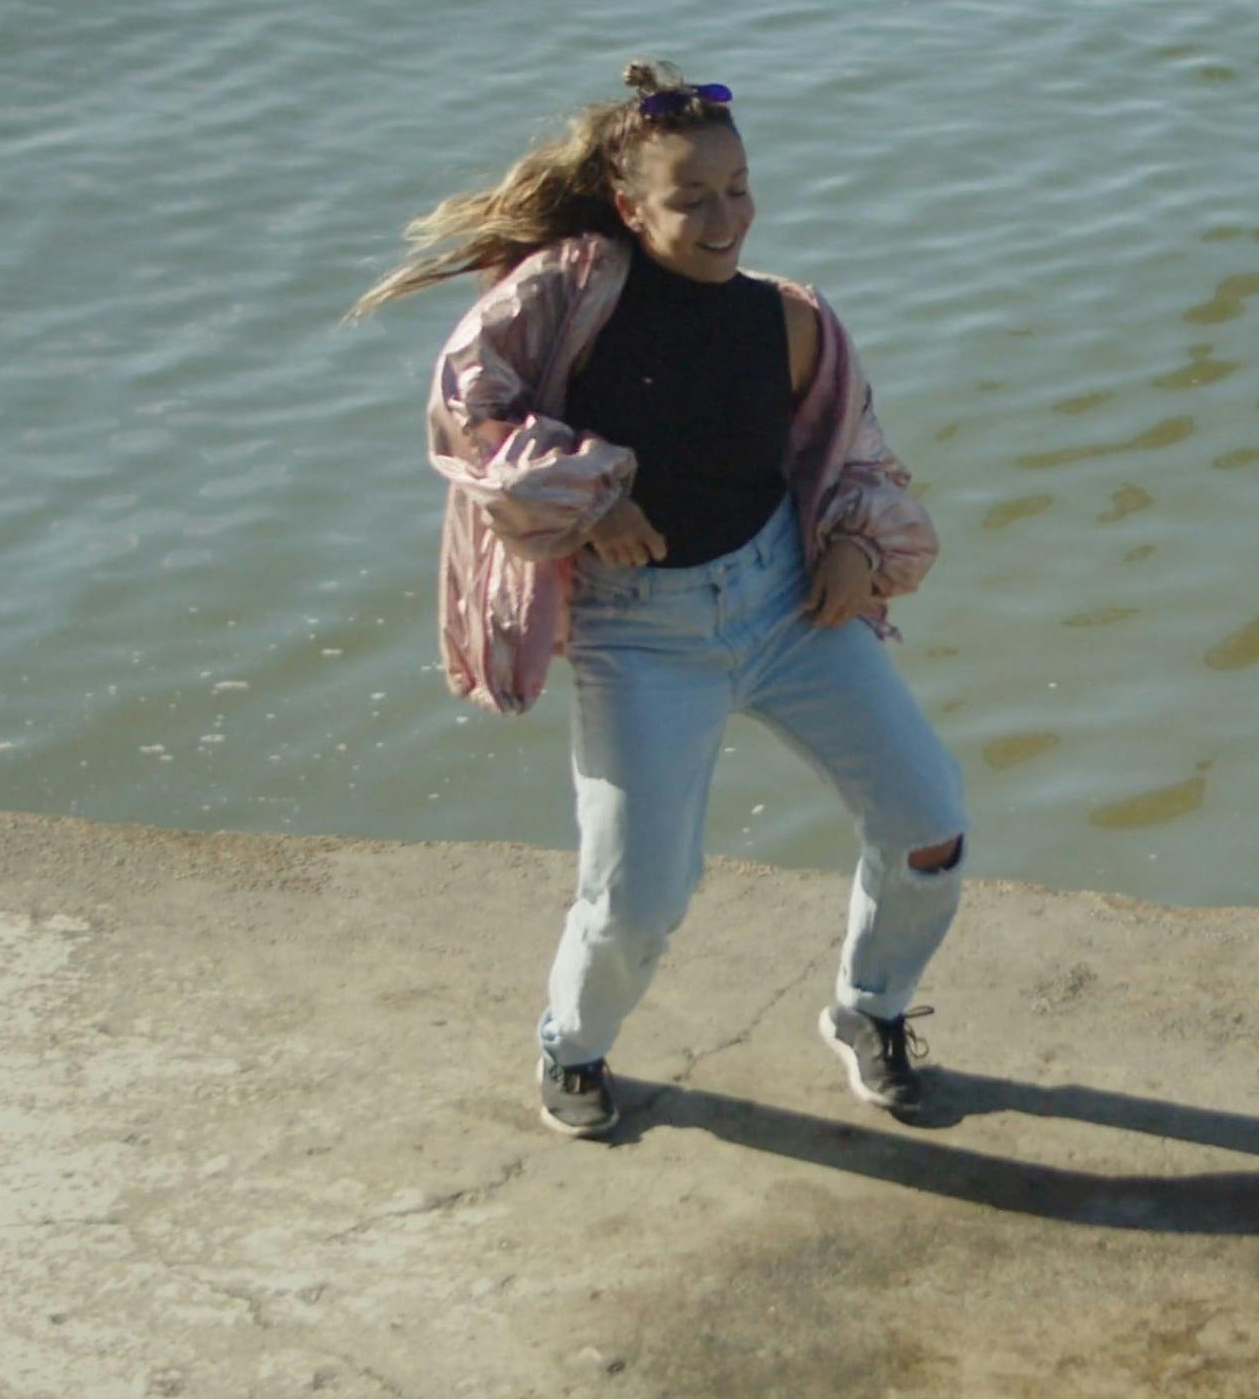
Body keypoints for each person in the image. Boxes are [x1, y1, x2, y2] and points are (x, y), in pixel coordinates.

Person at [351, 60, 968, 1139]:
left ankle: (871, 1009)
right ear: (632, 206)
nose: (724, 216)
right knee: (640, 899)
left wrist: (857, 554)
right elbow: (467, 414)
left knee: (931, 827)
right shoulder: (569, 295)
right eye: (692, 197)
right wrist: (590, 499)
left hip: (789, 608)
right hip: (640, 638)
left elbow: (858, 455)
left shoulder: (791, 321)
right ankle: (572, 1049)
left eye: (738, 188)